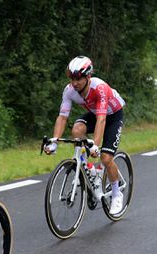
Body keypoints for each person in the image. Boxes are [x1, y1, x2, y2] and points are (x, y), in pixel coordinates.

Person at [44, 56, 125, 215]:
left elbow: (102, 120)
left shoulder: (99, 88)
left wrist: (95, 145)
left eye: (78, 78)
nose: (74, 83)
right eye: (72, 78)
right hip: (96, 114)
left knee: (106, 158)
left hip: (113, 116)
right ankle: (89, 169)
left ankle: (116, 194)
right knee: (77, 130)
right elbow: (62, 117)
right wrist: (54, 142)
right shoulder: (69, 91)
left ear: (88, 76)